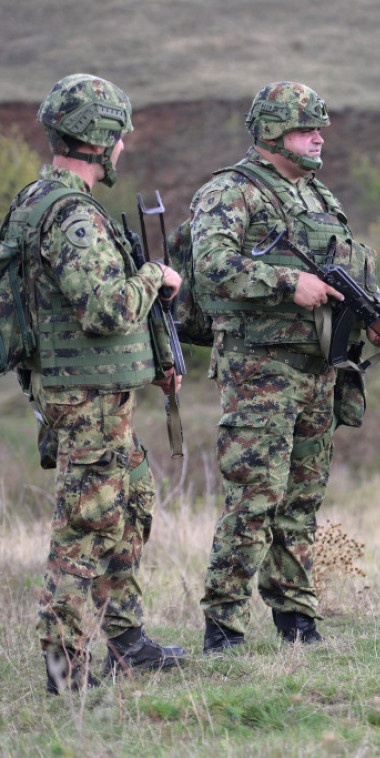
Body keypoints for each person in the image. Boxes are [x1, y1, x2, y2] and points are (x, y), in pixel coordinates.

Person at [191, 81, 380, 653]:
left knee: (301, 502)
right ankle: (224, 628)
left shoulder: (319, 197)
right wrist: (288, 282)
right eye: (306, 129)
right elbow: (211, 266)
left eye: (319, 128)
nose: (318, 137)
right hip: (260, 369)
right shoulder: (230, 192)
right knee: (254, 497)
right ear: (271, 133)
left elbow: (345, 273)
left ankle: (296, 620)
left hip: (319, 368)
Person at [16, 73, 187, 694]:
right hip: (83, 399)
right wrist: (155, 277)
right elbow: (105, 309)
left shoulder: (47, 201)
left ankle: (125, 641)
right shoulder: (70, 215)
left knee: (132, 499)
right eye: (118, 136)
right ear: (98, 138)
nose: (123, 148)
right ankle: (65, 669)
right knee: (87, 524)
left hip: (97, 394)